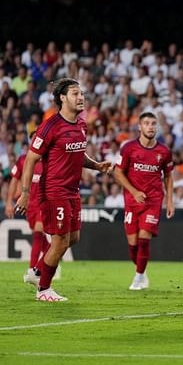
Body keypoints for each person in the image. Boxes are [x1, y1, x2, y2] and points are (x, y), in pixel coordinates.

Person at [14, 78, 112, 302]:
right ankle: (43, 289)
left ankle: (37, 271)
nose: (81, 98)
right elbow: (30, 159)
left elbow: (78, 153)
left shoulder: (81, 125)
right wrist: (26, 193)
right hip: (54, 191)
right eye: (75, 94)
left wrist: (96, 166)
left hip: (72, 191)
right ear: (62, 98)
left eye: (82, 94)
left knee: (72, 238)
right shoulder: (50, 126)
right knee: (59, 241)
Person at [113, 112, 175, 291]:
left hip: (153, 201)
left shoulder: (164, 151)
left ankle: (138, 277)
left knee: (143, 240)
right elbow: (118, 172)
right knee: (132, 244)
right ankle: (142, 272)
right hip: (132, 201)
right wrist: (134, 191)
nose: (150, 126)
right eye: (146, 123)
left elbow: (169, 176)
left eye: (153, 123)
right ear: (139, 127)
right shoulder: (129, 148)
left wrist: (170, 201)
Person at [5, 147, 49, 284]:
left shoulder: (49, 160)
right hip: (29, 206)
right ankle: (50, 260)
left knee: (37, 234)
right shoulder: (24, 160)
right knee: (40, 237)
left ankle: (33, 271)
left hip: (43, 203)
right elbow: (14, 180)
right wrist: (9, 202)